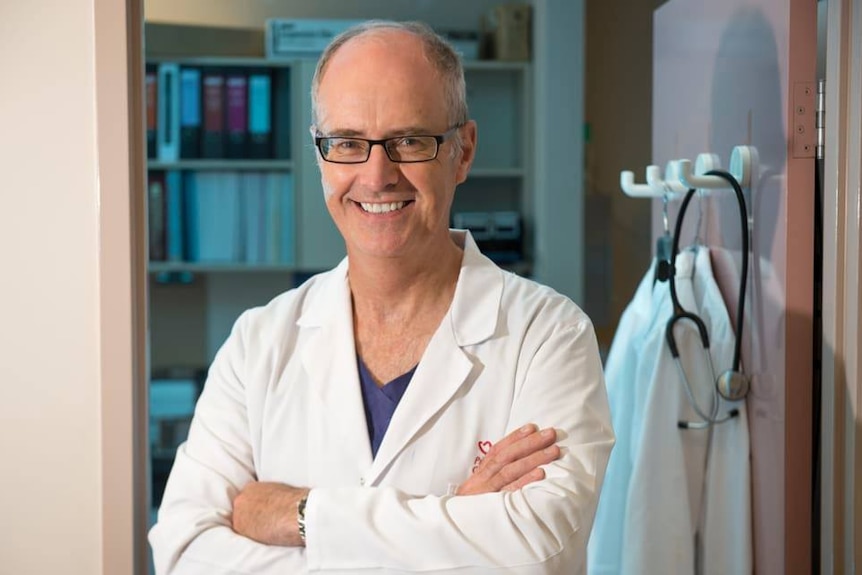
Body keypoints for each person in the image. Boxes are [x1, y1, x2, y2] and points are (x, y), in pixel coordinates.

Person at [149, 19, 614, 574]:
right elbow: (184, 553)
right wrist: (452, 523)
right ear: (321, 156)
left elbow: (537, 553)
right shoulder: (258, 343)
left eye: (409, 141)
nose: (376, 175)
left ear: (461, 151)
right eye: (347, 143)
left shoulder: (548, 336)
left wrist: (303, 517)